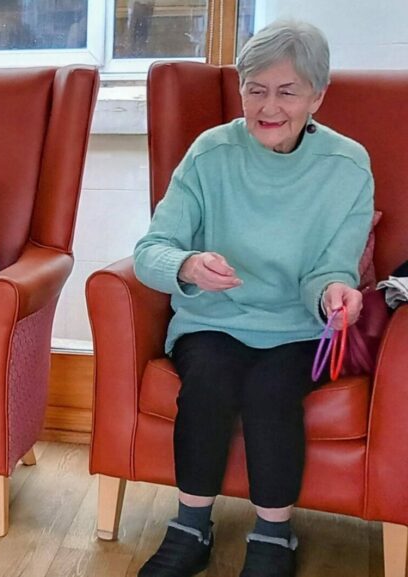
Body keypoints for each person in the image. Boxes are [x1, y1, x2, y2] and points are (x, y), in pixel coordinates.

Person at [133, 20, 373, 577]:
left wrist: (336, 294)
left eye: (287, 91)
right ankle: (190, 526)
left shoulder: (347, 165)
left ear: (318, 95)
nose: (269, 105)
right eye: (254, 89)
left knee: (270, 392)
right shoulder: (209, 152)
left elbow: (331, 270)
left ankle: (273, 536)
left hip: (294, 328)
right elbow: (151, 251)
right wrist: (188, 265)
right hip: (210, 320)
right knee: (210, 380)